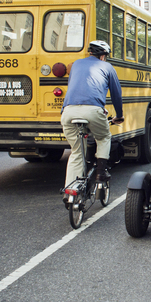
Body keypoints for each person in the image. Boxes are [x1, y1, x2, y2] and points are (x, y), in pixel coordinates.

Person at [61, 40, 124, 195]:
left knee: (76, 151)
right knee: (103, 137)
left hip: (68, 111)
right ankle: (101, 173)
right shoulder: (107, 67)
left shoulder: (75, 64)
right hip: (93, 110)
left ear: (90, 52)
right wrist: (119, 115)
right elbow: (116, 94)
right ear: (103, 56)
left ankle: (71, 190)